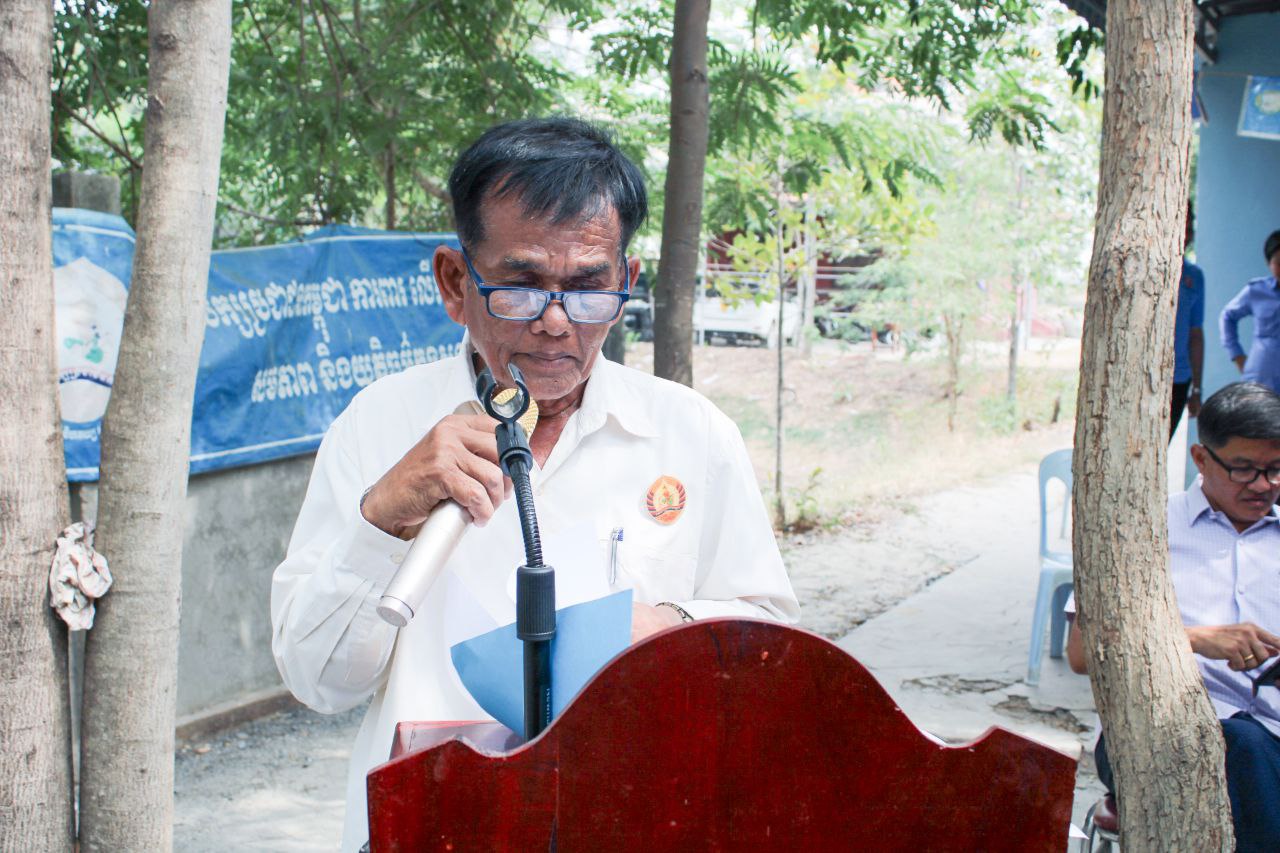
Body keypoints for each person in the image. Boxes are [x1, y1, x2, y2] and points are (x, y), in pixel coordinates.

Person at [270, 117, 800, 852]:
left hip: (634, 824)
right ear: (455, 282)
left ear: (626, 283)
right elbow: (317, 679)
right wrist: (381, 520)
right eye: (520, 287)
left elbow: (774, 646)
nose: (556, 322)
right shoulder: (377, 424)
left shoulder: (691, 433)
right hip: (432, 829)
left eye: (587, 289)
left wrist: (673, 626)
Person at [1067, 382, 1280, 852]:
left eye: (1276, 469)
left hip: (1273, 737)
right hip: (1151, 734)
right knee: (1239, 746)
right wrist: (1196, 639)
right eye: (1244, 469)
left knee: (1250, 750)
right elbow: (1082, 654)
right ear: (1201, 458)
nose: (1263, 485)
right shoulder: (1142, 530)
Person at [1219, 230, 1280, 393]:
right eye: (1279, 263)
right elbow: (1228, 316)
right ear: (1269, 263)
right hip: (1261, 379)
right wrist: (1237, 355)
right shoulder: (1257, 291)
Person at [1171, 205, 1205, 437]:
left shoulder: (1194, 276)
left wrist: (1197, 389)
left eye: (1189, 224)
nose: (1187, 230)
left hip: (1179, 380)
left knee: (1160, 447)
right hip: (1141, 376)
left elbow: (1196, 335)